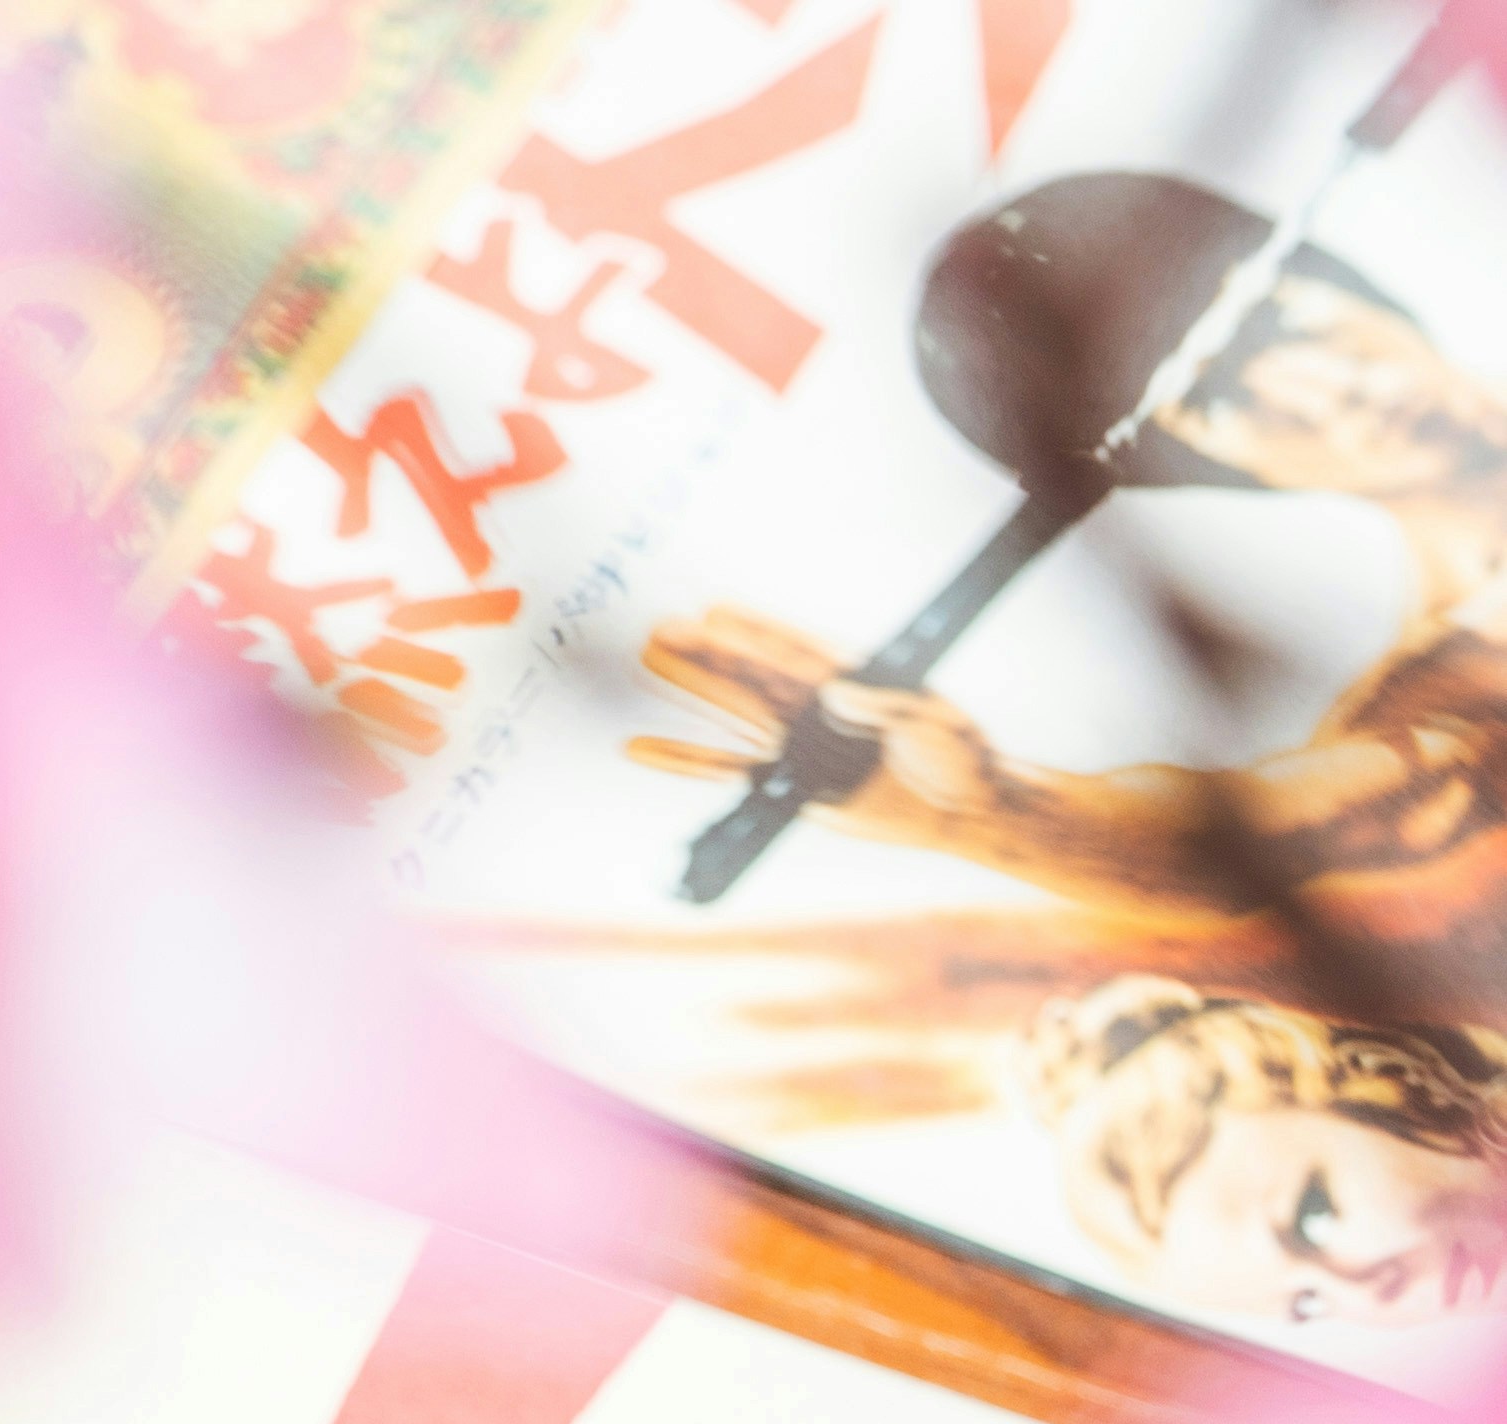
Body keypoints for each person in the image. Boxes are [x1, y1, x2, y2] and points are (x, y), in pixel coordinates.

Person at [590, 204, 1507, 1325]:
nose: (1310, 393)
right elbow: (1352, 806)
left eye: (1281, 327)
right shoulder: (1441, 698)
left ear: (1336, 258)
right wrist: (1004, 817)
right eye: (1225, 400)